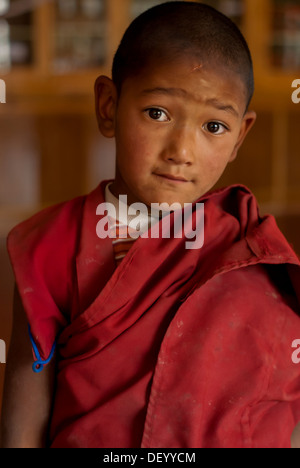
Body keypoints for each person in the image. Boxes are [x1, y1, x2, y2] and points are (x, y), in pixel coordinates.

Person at [1, 1, 300, 448]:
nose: (181, 150)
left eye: (214, 125)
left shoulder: (253, 255)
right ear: (109, 105)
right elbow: (24, 413)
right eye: (158, 113)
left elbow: (275, 405)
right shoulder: (51, 247)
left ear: (240, 135)